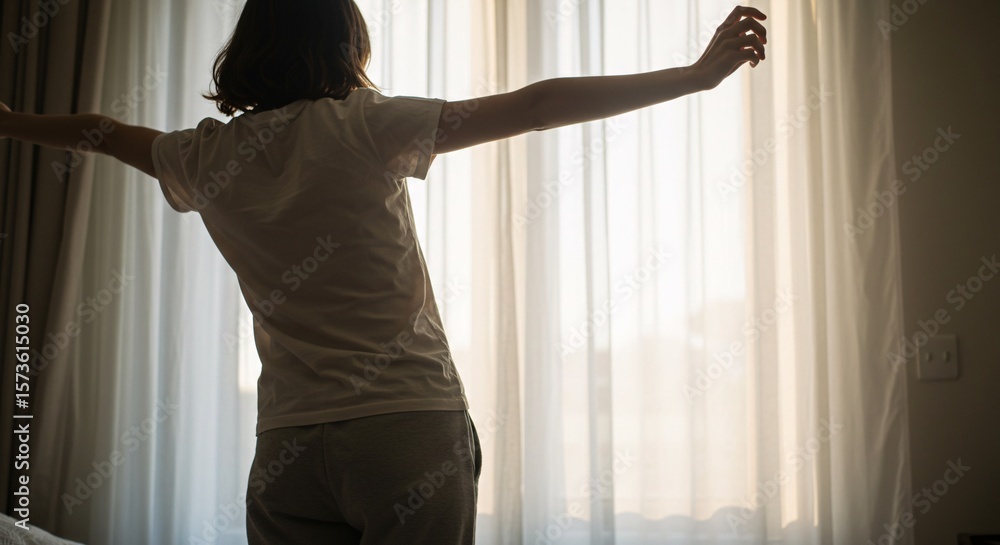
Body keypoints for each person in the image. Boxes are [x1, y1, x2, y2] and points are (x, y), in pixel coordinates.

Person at [0, 1, 766, 543]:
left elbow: (97, 131)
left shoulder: (204, 155)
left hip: (288, 448)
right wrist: (693, 76)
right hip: (405, 429)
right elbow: (537, 105)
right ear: (348, 44)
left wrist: (9, 122)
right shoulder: (366, 124)